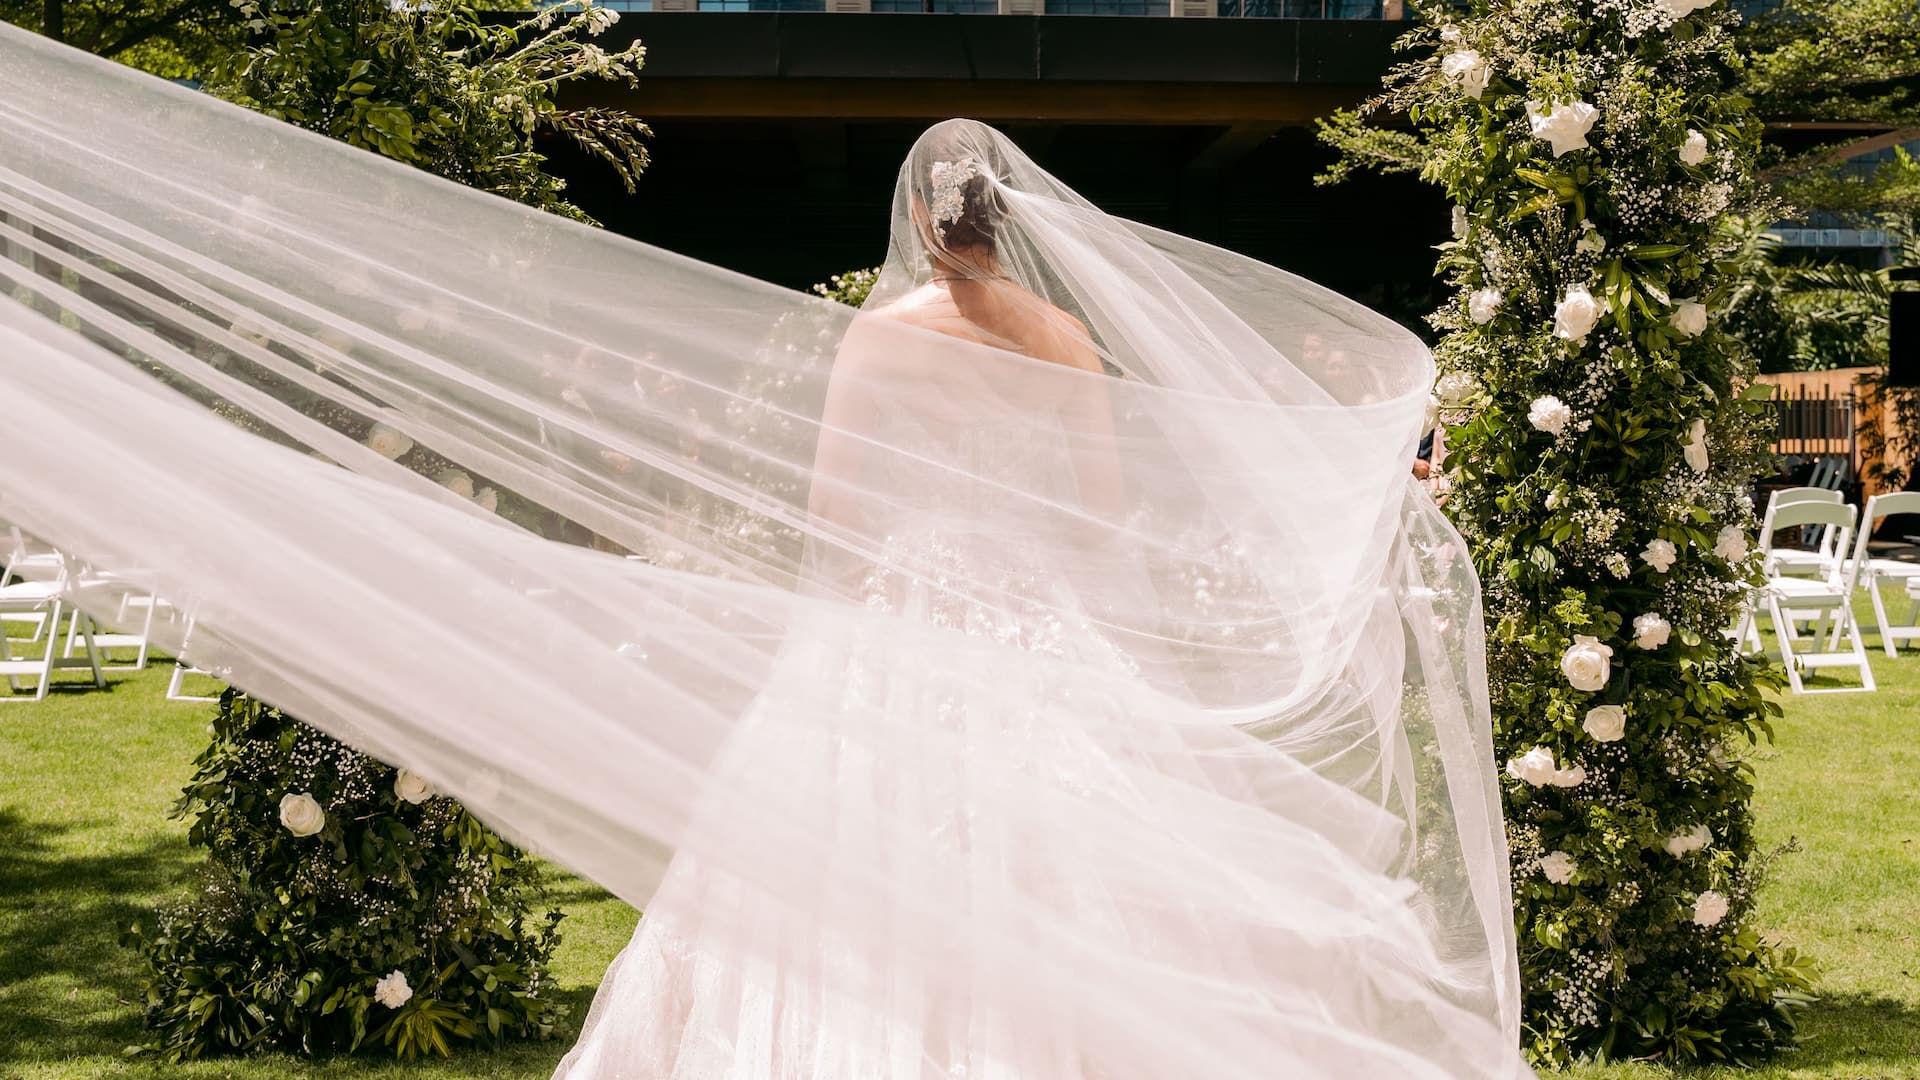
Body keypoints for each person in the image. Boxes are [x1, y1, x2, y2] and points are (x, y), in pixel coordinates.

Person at [0, 29, 1524, 1075]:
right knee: (1072, 876)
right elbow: (1108, 510)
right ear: (1016, 224)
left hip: (894, 640)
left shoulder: (886, 339)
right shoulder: (1069, 344)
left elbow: (844, 510)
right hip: (1035, 639)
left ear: (927, 229)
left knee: (834, 876)